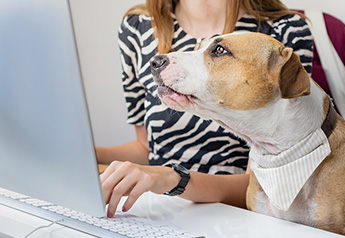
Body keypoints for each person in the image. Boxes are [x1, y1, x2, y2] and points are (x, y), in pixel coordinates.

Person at [96, 0, 313, 217]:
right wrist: (88, 154)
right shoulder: (137, 26)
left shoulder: (282, 33)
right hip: (153, 208)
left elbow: (263, 190)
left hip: (231, 217)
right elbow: (146, 147)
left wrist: (172, 179)